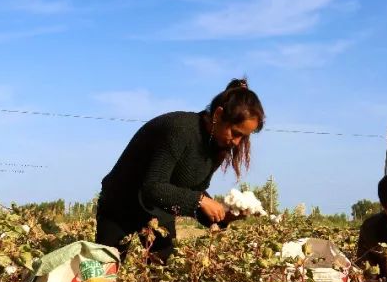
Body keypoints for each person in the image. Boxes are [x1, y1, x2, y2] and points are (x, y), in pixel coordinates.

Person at [95, 78, 265, 261]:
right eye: (235, 133)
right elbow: (153, 187)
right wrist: (200, 200)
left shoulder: (216, 146)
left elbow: (191, 192)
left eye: (244, 137)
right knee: (104, 277)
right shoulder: (180, 129)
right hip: (121, 204)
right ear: (218, 114)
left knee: (166, 277)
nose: (237, 142)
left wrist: (224, 217)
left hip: (158, 211)